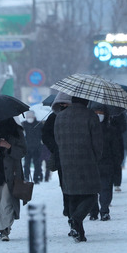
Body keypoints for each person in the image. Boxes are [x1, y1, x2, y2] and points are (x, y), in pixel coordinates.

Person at [54, 95, 102, 242]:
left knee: (73, 196)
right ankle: (76, 219)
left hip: (66, 161)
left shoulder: (60, 117)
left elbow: (57, 140)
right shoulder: (90, 116)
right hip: (87, 160)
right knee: (92, 194)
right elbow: (97, 142)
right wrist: (96, 157)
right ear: (86, 101)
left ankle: (79, 233)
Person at [42, 92, 75, 236]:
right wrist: (55, 147)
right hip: (61, 157)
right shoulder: (53, 117)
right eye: (61, 104)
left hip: (78, 156)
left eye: (66, 103)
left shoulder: (77, 116)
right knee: (65, 185)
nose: (63, 106)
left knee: (77, 186)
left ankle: (75, 214)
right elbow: (46, 135)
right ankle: (70, 213)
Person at [89, 104, 123, 221]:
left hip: (106, 163)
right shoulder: (87, 130)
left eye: (101, 113)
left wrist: (116, 162)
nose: (99, 116)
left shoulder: (111, 130)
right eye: (96, 113)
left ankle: (104, 210)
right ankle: (93, 211)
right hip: (91, 163)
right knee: (92, 190)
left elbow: (116, 149)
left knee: (106, 188)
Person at [21, 111, 43, 184]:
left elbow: (42, 135)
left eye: (30, 116)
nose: (29, 118)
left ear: (34, 117)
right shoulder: (24, 125)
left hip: (37, 148)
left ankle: (36, 178)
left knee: (37, 164)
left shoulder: (39, 124)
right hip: (27, 148)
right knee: (26, 164)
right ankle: (26, 177)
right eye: (28, 117)